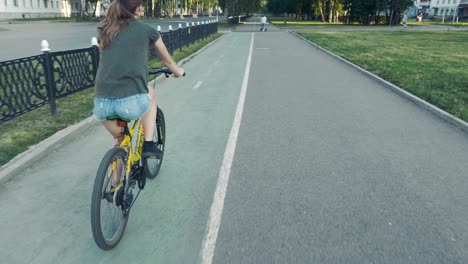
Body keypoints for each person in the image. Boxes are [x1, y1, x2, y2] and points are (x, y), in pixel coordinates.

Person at [93, 0, 184, 159]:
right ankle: (148, 144)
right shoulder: (147, 30)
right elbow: (168, 62)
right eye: (141, 4)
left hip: (101, 106)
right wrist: (178, 72)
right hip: (129, 104)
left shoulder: (106, 31)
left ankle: (116, 183)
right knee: (151, 93)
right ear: (136, 8)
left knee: (119, 139)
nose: (143, 7)